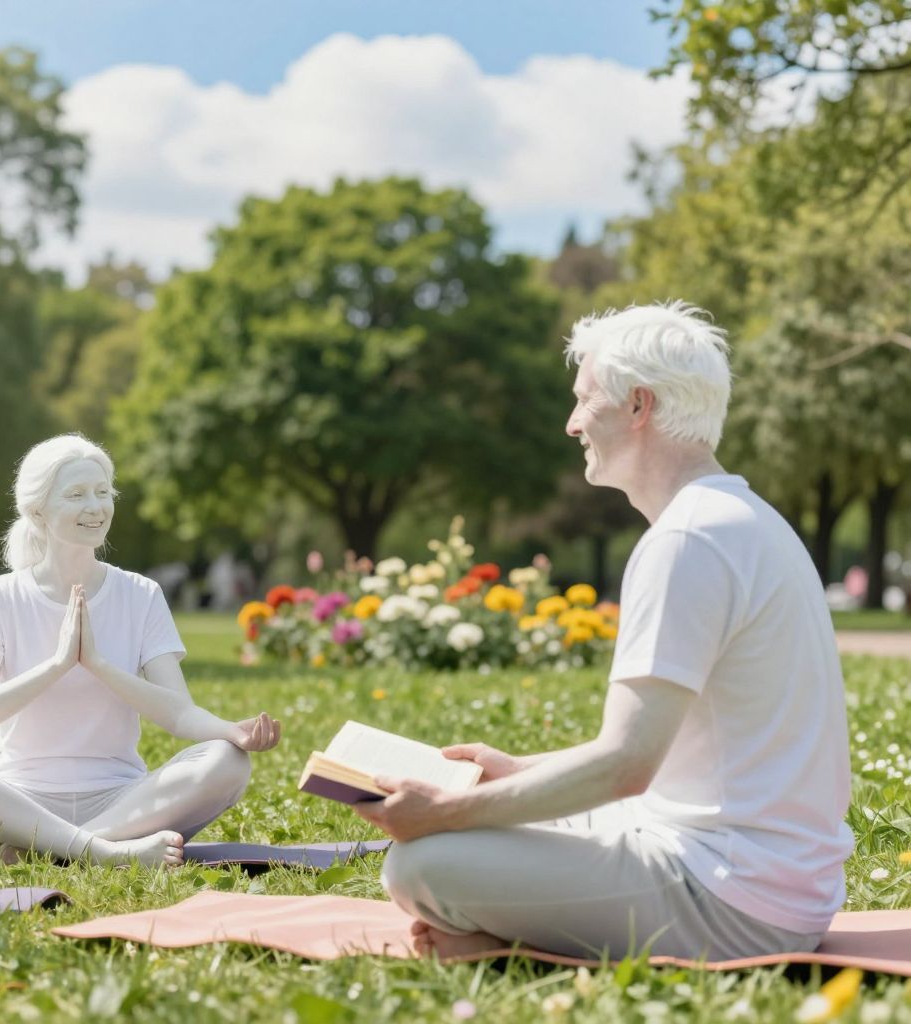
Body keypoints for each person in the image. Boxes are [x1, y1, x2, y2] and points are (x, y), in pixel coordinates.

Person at [359, 302, 851, 961]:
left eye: (585, 399)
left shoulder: (687, 540)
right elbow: (649, 756)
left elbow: (625, 766)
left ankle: (508, 941)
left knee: (418, 866)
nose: (572, 422)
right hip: (769, 879)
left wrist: (443, 814)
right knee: (495, 824)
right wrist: (518, 772)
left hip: (733, 901)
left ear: (638, 405)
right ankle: (500, 933)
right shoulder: (739, 517)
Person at [0, 433, 281, 867]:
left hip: (123, 802)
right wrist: (57, 665)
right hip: (17, 800)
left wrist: (98, 664)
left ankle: (54, 849)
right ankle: (105, 852)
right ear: (37, 510)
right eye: (76, 495)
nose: (95, 507)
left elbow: (179, 714)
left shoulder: (141, 594)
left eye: (103, 492)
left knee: (229, 761)